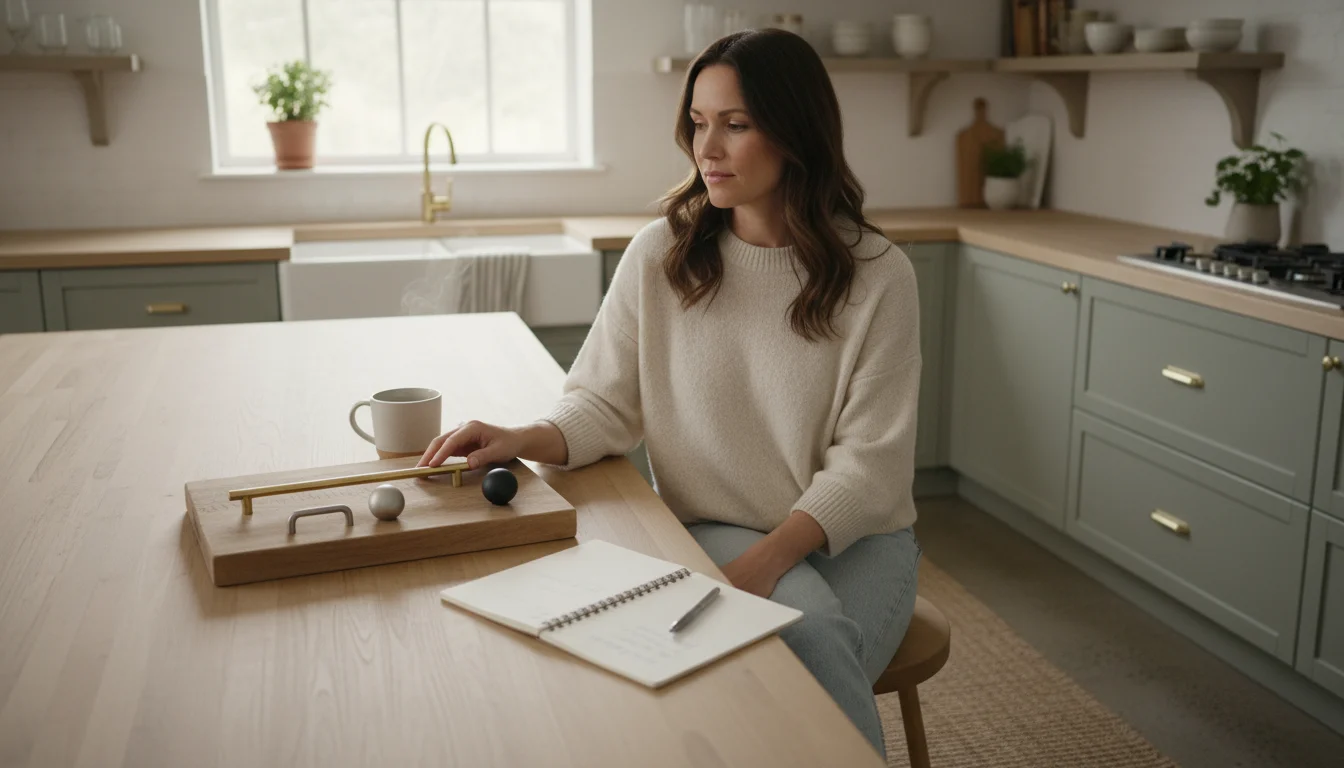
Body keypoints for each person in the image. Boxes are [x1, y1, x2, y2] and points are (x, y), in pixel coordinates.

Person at [419, 28, 921, 758]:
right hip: (717, 520)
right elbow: (604, 401)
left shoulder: (879, 276)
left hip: (860, 539)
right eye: (698, 122)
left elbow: (870, 467)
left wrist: (773, 557)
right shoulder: (663, 253)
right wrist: (522, 438)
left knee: (800, 651)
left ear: (796, 133)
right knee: (797, 644)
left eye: (736, 125)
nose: (706, 149)